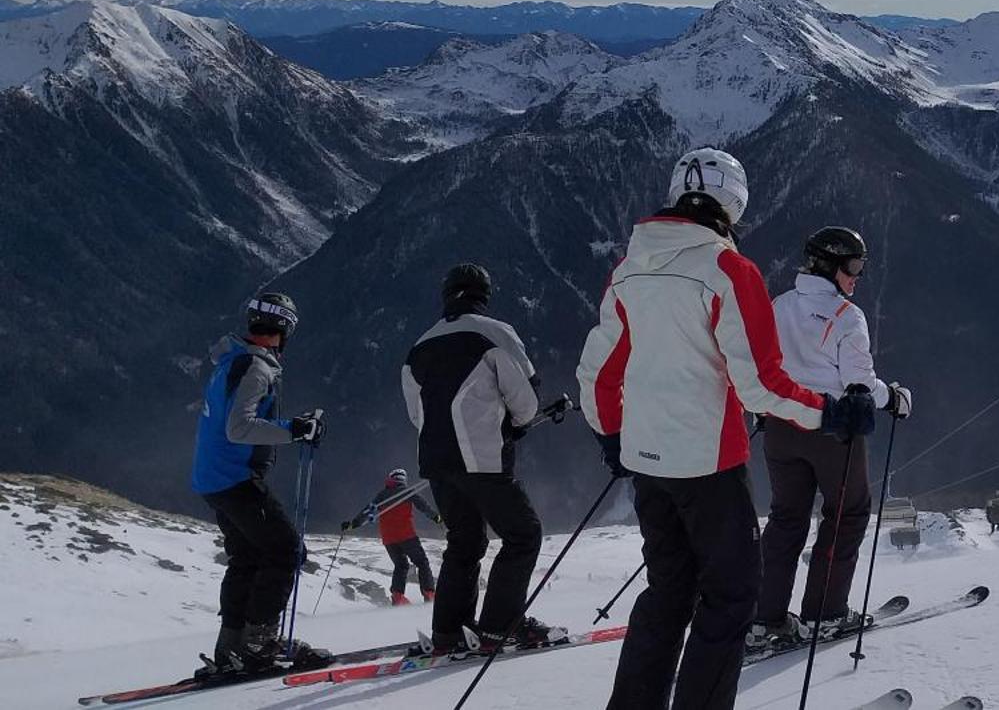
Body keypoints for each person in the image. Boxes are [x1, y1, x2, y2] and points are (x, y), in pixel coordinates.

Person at [577, 147, 880, 710]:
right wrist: (831, 412)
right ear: (733, 204)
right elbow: (761, 385)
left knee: (668, 590)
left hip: (646, 463)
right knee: (731, 595)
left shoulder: (628, 271)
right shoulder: (729, 271)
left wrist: (612, 438)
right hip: (708, 464)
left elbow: (597, 372)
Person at [749, 226, 913, 649]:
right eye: (853, 266)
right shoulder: (846, 316)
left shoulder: (777, 306)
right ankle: (825, 614)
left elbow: (762, 366)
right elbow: (858, 384)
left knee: (787, 519)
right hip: (832, 432)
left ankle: (762, 620)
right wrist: (892, 397)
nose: (858, 276)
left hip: (781, 428)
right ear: (830, 265)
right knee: (846, 515)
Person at [402, 262, 547, 655]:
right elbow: (526, 398)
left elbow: (416, 411)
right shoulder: (495, 333)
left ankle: (449, 633)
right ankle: (499, 628)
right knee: (523, 534)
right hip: (481, 457)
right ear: (484, 295)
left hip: (435, 460)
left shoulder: (420, 345)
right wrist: (513, 423)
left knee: (464, 542)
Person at [189, 292, 332, 677]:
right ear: (285, 329)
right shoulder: (256, 366)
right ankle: (260, 644)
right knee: (286, 551)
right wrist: (295, 430)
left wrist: (291, 428)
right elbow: (240, 427)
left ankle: (231, 645)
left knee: (248, 557)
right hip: (234, 478)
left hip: (212, 478)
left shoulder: (232, 360)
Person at [339, 468, 443, 606]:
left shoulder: (382, 495)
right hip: (407, 535)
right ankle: (429, 593)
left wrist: (353, 524)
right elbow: (424, 507)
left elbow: (368, 511)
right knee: (421, 562)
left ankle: (397, 596)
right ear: (403, 480)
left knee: (401, 565)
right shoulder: (408, 492)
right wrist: (436, 517)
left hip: (388, 538)